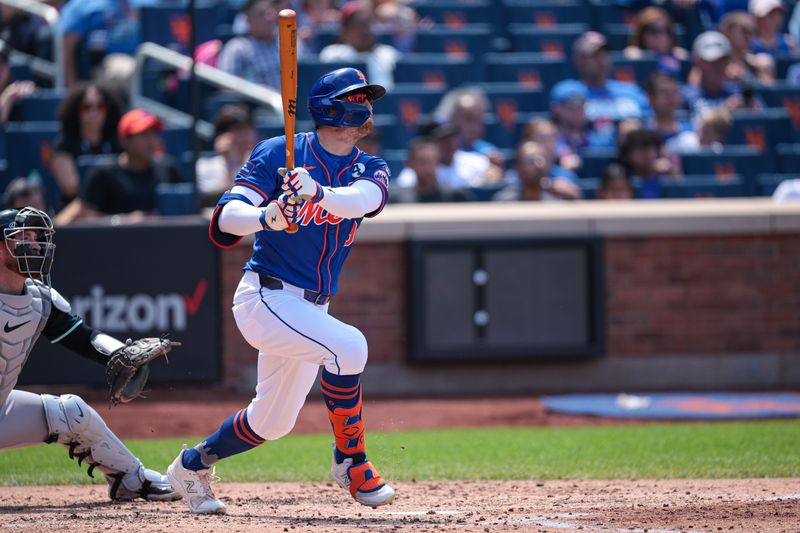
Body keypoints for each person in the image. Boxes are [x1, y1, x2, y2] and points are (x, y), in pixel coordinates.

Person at [166, 67, 395, 514]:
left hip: (311, 309)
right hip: (266, 298)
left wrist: (318, 192)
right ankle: (351, 461)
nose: (365, 106)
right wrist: (266, 216)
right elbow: (224, 221)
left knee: (272, 420)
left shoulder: (370, 165)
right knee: (350, 347)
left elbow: (362, 201)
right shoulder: (277, 153)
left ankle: (191, 465)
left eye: (368, 98)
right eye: (356, 97)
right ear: (330, 107)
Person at [0, 206, 180, 502]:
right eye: (22, 237)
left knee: (72, 413)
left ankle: (132, 480)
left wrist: (120, 354)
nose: (33, 244)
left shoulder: (39, 301)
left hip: (2, 411)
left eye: (35, 236)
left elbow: (83, 338)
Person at [62, 109, 183, 221]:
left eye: (154, 134)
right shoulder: (103, 174)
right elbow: (87, 217)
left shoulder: (168, 169)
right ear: (125, 140)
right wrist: (124, 220)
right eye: (144, 135)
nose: (151, 141)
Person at [563, 31, 651, 148]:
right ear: (578, 60)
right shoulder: (570, 93)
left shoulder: (632, 92)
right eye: (594, 56)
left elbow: (650, 125)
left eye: (605, 54)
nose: (601, 60)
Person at [50, 83, 123, 208]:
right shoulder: (65, 143)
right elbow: (70, 187)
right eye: (86, 107)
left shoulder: (115, 140)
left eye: (100, 106)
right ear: (76, 111)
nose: (94, 112)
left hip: (113, 210)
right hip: (76, 211)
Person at [58, 0, 157, 88]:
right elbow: (68, 46)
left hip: (145, 56)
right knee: (128, 69)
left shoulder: (147, 2)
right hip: (105, 62)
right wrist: (72, 88)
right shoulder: (83, 4)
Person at [319, 2, 401, 89]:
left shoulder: (388, 54)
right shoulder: (332, 55)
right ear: (344, 32)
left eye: (367, 24)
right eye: (357, 25)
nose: (363, 30)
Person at [218, 0, 294, 91]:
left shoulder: (288, 42)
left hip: (295, 102)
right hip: (258, 103)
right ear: (248, 21)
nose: (268, 18)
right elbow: (227, 87)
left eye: (270, 12)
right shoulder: (237, 49)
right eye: (261, 14)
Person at [682, 31, 759, 119]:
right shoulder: (687, 97)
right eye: (711, 61)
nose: (718, 66)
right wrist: (724, 111)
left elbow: (763, 117)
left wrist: (750, 110)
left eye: (722, 60)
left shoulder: (738, 93)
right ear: (698, 63)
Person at [196, 103, 258, 208]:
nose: (245, 136)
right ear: (222, 136)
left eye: (248, 129)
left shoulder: (261, 162)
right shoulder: (204, 166)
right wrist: (230, 162)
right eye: (238, 130)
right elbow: (218, 202)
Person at [494, 141, 582, 202]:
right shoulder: (505, 201)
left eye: (541, 160)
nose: (538, 165)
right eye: (531, 161)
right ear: (518, 168)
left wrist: (572, 198)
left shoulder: (556, 199)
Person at [392, 137, 473, 203]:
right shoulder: (397, 200)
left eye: (433, 161)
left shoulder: (456, 198)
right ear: (409, 165)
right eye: (422, 162)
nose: (428, 168)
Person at [623, 7, 689, 78]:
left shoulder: (679, 55)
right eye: (654, 31)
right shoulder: (634, 54)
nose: (661, 37)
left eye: (666, 31)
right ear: (641, 34)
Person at [719, 11, 776, 85]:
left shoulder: (759, 64)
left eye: (752, 32)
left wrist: (764, 73)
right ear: (727, 31)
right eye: (744, 30)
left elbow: (768, 91)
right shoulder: (714, 62)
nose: (749, 36)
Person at [618, 128, 671, 199]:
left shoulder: (666, 177)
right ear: (627, 155)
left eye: (650, 148)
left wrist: (672, 172)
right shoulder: (622, 181)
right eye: (640, 149)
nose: (646, 153)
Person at [645, 72, 692, 143]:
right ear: (650, 98)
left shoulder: (692, 131)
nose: (670, 98)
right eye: (664, 93)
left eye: (674, 92)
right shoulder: (642, 132)